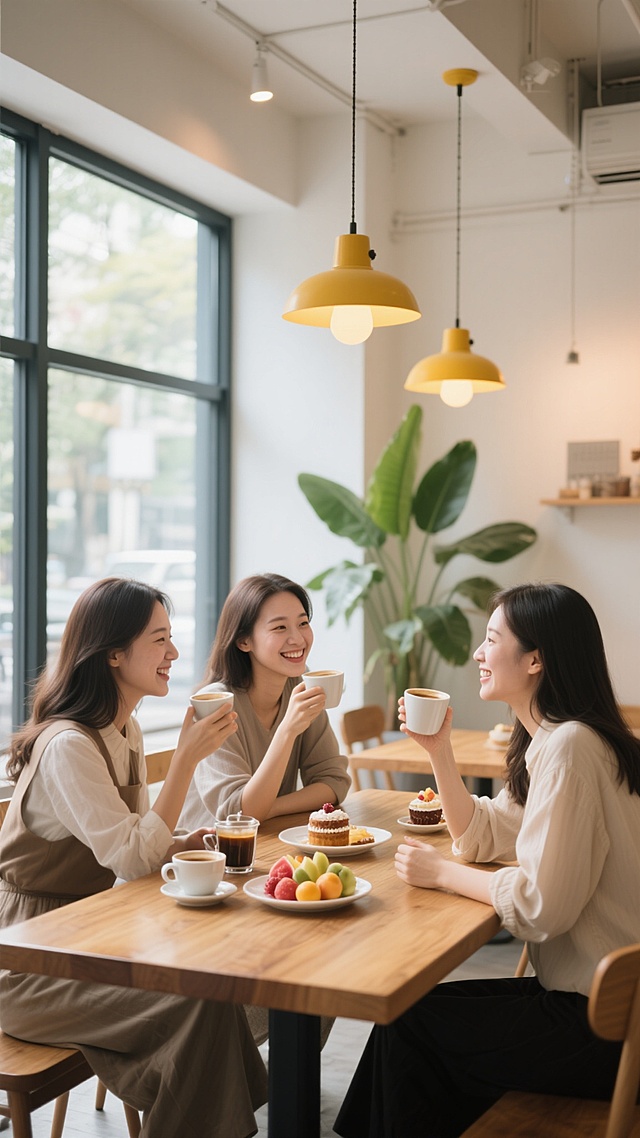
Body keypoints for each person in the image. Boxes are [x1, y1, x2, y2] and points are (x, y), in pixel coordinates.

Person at [334, 582, 640, 1138]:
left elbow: (543, 908)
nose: (478, 652)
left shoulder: (571, 748)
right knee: (405, 1020)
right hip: (600, 1006)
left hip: (609, 1024)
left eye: (492, 638)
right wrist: (439, 752)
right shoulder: (554, 740)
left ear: (536, 659)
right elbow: (485, 835)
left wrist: (442, 874)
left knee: (410, 1030)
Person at [0, 577, 267, 1138]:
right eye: (160, 640)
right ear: (114, 653)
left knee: (215, 988)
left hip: (86, 935)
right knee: (199, 1006)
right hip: (26, 960)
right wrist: (186, 763)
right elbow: (131, 859)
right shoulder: (70, 744)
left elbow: (140, 841)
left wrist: (182, 843)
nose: (174, 654)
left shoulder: (126, 729)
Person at [179, 572, 351, 829]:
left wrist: (271, 809)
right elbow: (240, 814)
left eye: (303, 623)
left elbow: (335, 782)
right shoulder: (214, 704)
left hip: (268, 840)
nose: (298, 638)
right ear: (244, 641)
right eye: (280, 627)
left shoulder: (300, 687)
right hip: (207, 854)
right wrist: (288, 729)